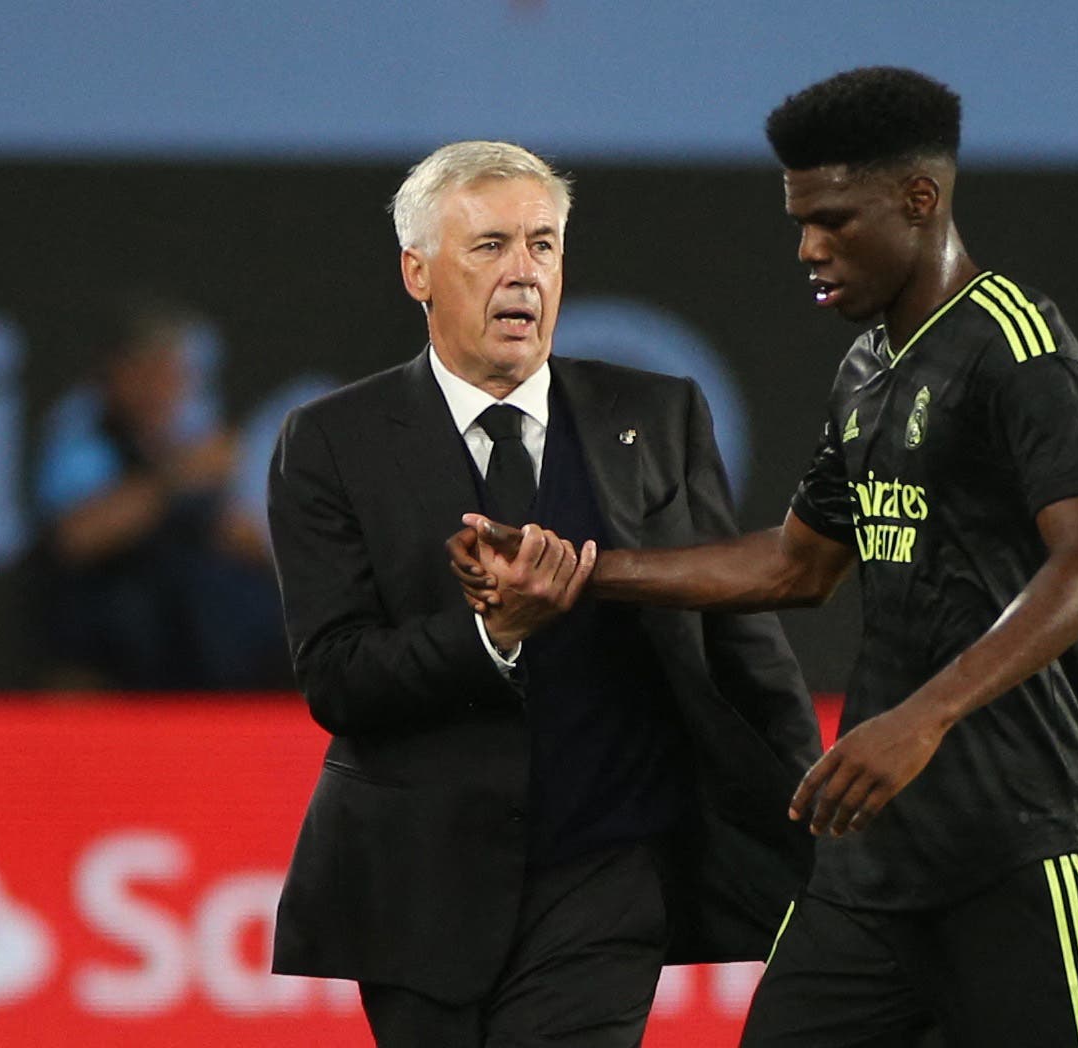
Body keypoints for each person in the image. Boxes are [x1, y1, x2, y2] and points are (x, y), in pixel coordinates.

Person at [455, 69, 1078, 1047]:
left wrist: (922, 717)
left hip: (1019, 842)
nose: (807, 247)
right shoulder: (865, 370)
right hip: (869, 862)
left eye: (833, 219)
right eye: (798, 219)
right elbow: (795, 566)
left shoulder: (1016, 345)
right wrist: (578, 573)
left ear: (919, 200)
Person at [265, 141, 819, 1047]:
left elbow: (737, 635)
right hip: (416, 890)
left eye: (544, 244)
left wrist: (810, 824)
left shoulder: (659, 415)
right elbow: (335, 674)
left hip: (608, 873)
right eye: (489, 247)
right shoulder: (332, 441)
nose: (523, 273)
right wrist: (493, 640)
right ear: (419, 272)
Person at [32, 294, 286, 689]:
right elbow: (77, 537)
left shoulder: (195, 433)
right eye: (144, 370)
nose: (157, 386)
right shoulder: (86, 430)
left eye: (169, 372)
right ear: (116, 372)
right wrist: (178, 478)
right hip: (113, 646)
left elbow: (246, 538)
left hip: (201, 654)